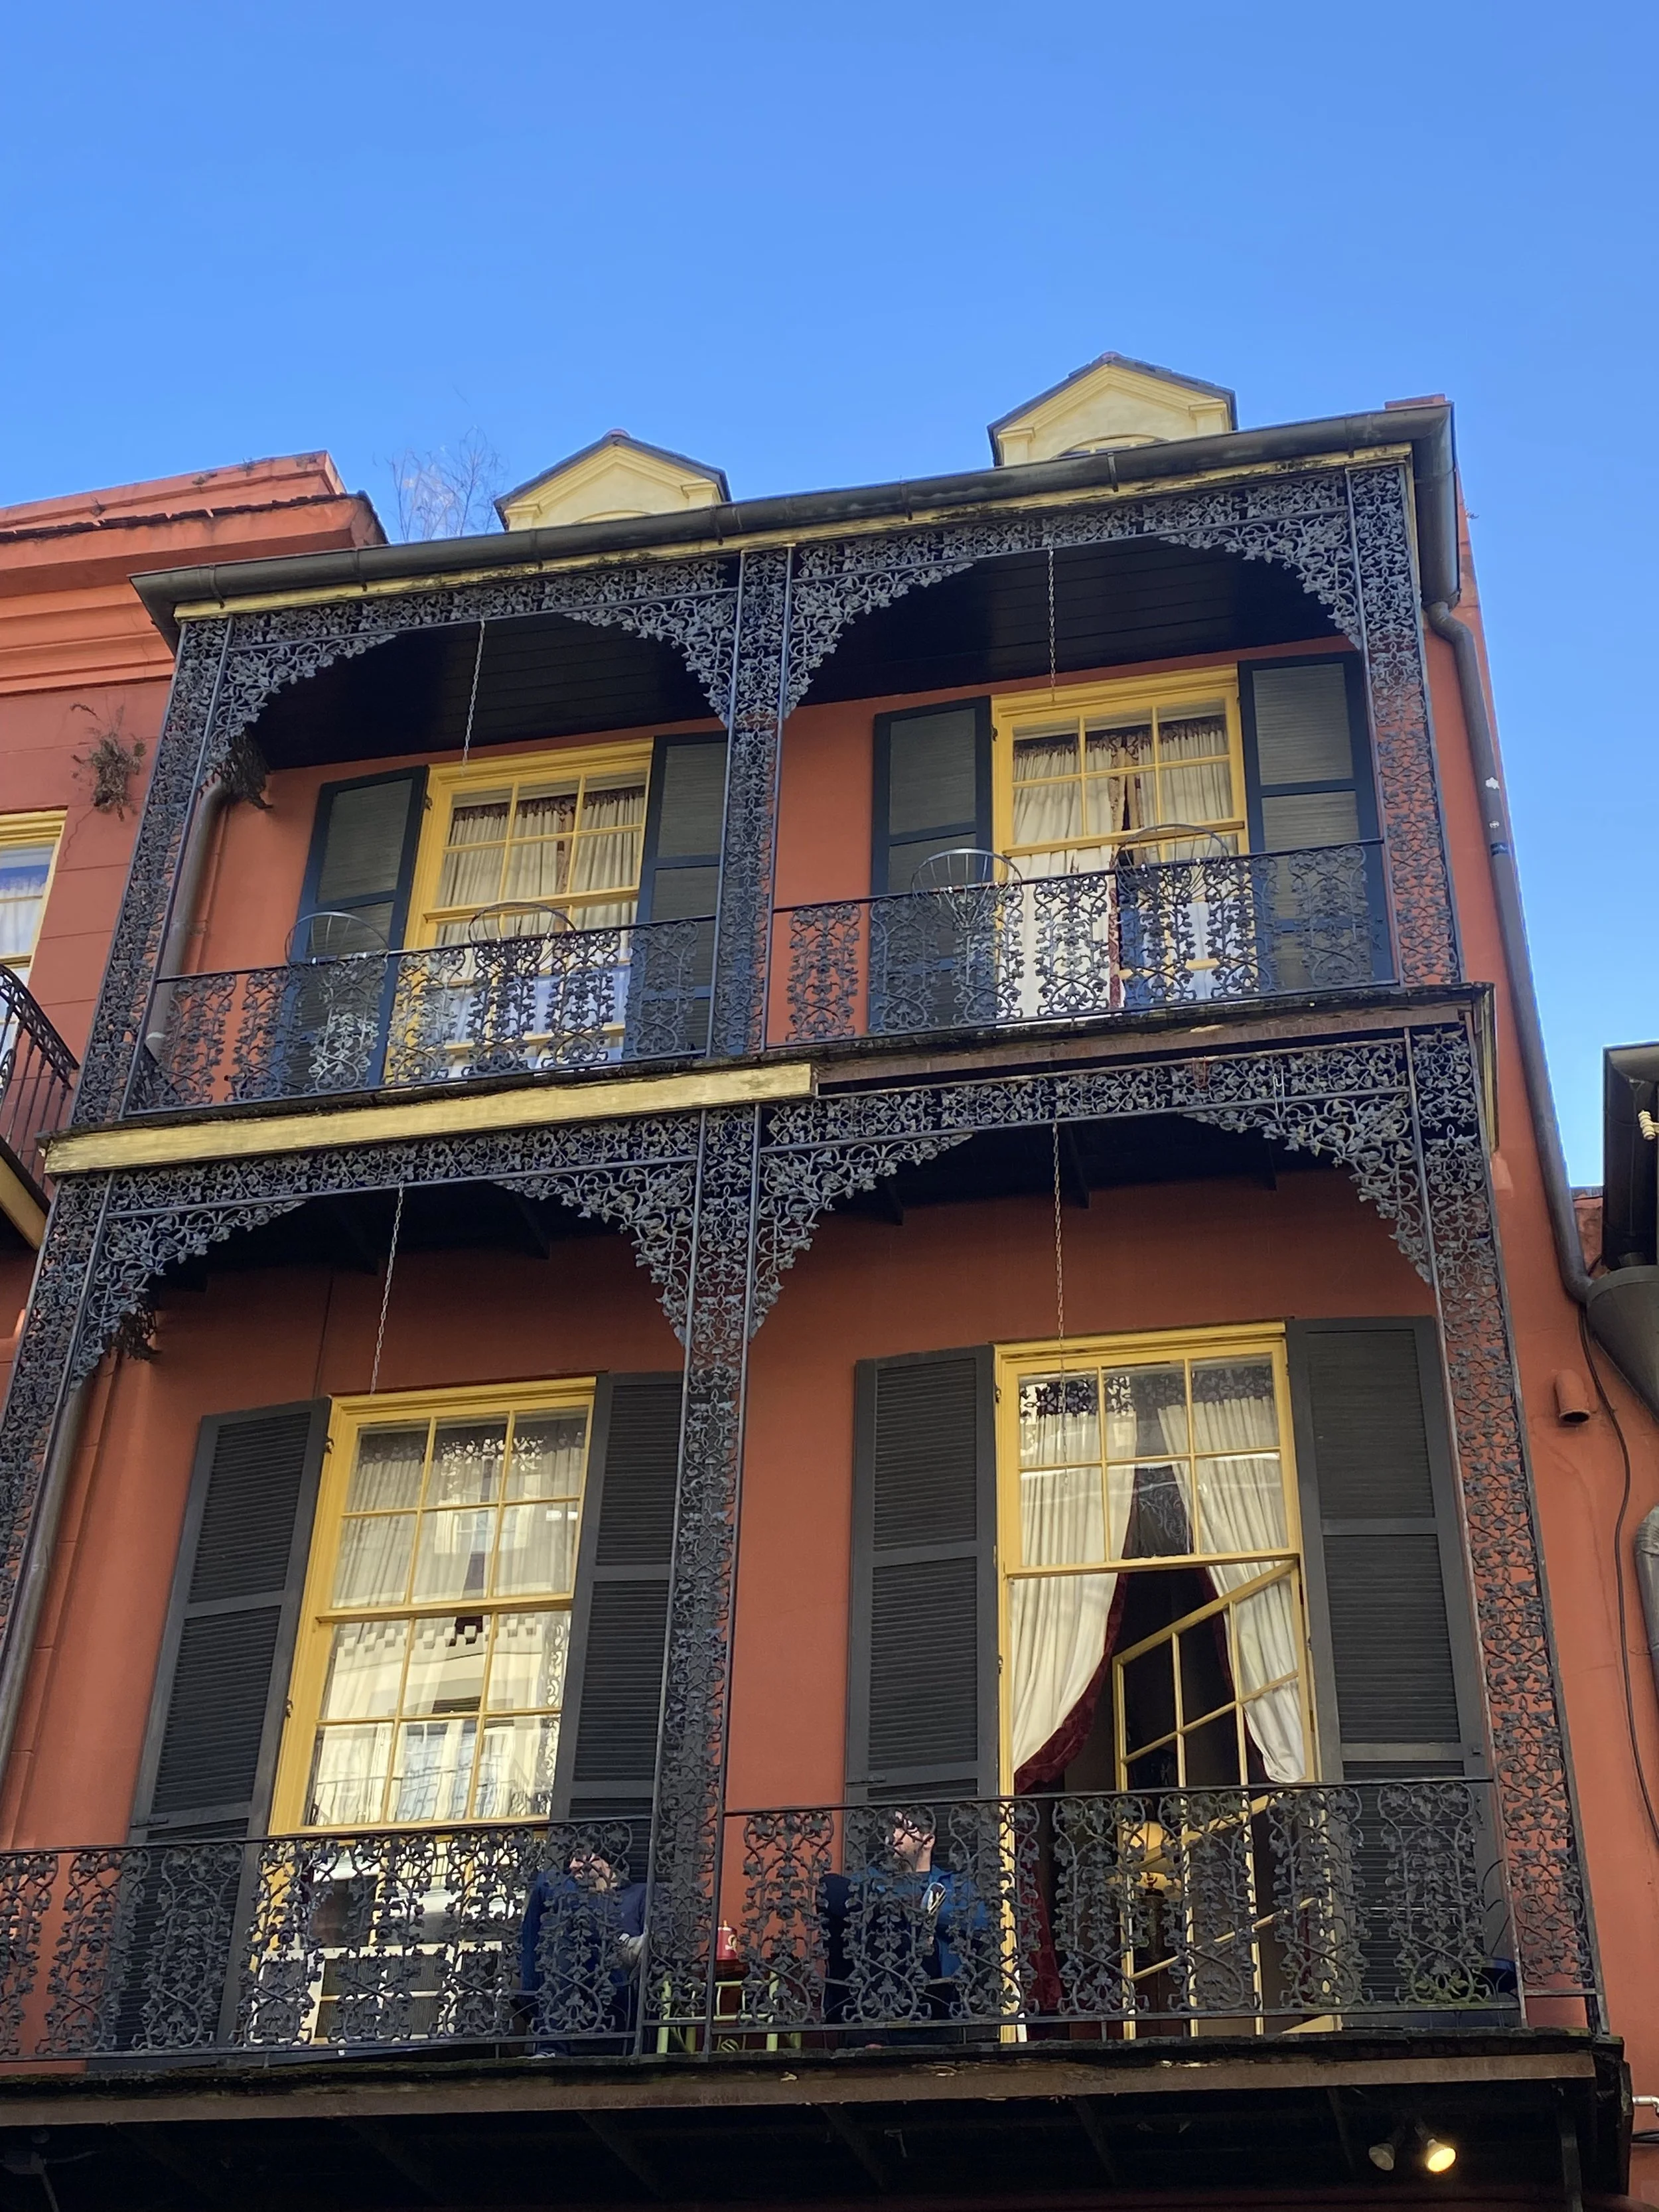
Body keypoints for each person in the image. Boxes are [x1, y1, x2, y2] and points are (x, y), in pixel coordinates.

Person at [821, 1808, 986, 2042]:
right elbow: (828, 1893)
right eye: (892, 1827)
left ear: (928, 1841)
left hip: (927, 1982)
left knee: (900, 1926)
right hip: (869, 1972)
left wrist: (927, 1917)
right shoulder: (868, 1880)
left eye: (905, 1828)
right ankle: (901, 1914)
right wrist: (896, 1909)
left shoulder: (952, 1886)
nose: (894, 1834)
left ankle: (916, 1922)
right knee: (833, 1886)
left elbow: (982, 1920)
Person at [519, 1843, 647, 2054]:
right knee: (552, 1909)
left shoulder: (639, 1894)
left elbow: (655, 1945)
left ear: (605, 1861)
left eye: (579, 1858)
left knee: (554, 1910)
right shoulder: (567, 1895)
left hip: (613, 1982)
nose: (571, 1866)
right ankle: (619, 1944)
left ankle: (550, 2044)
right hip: (563, 1977)